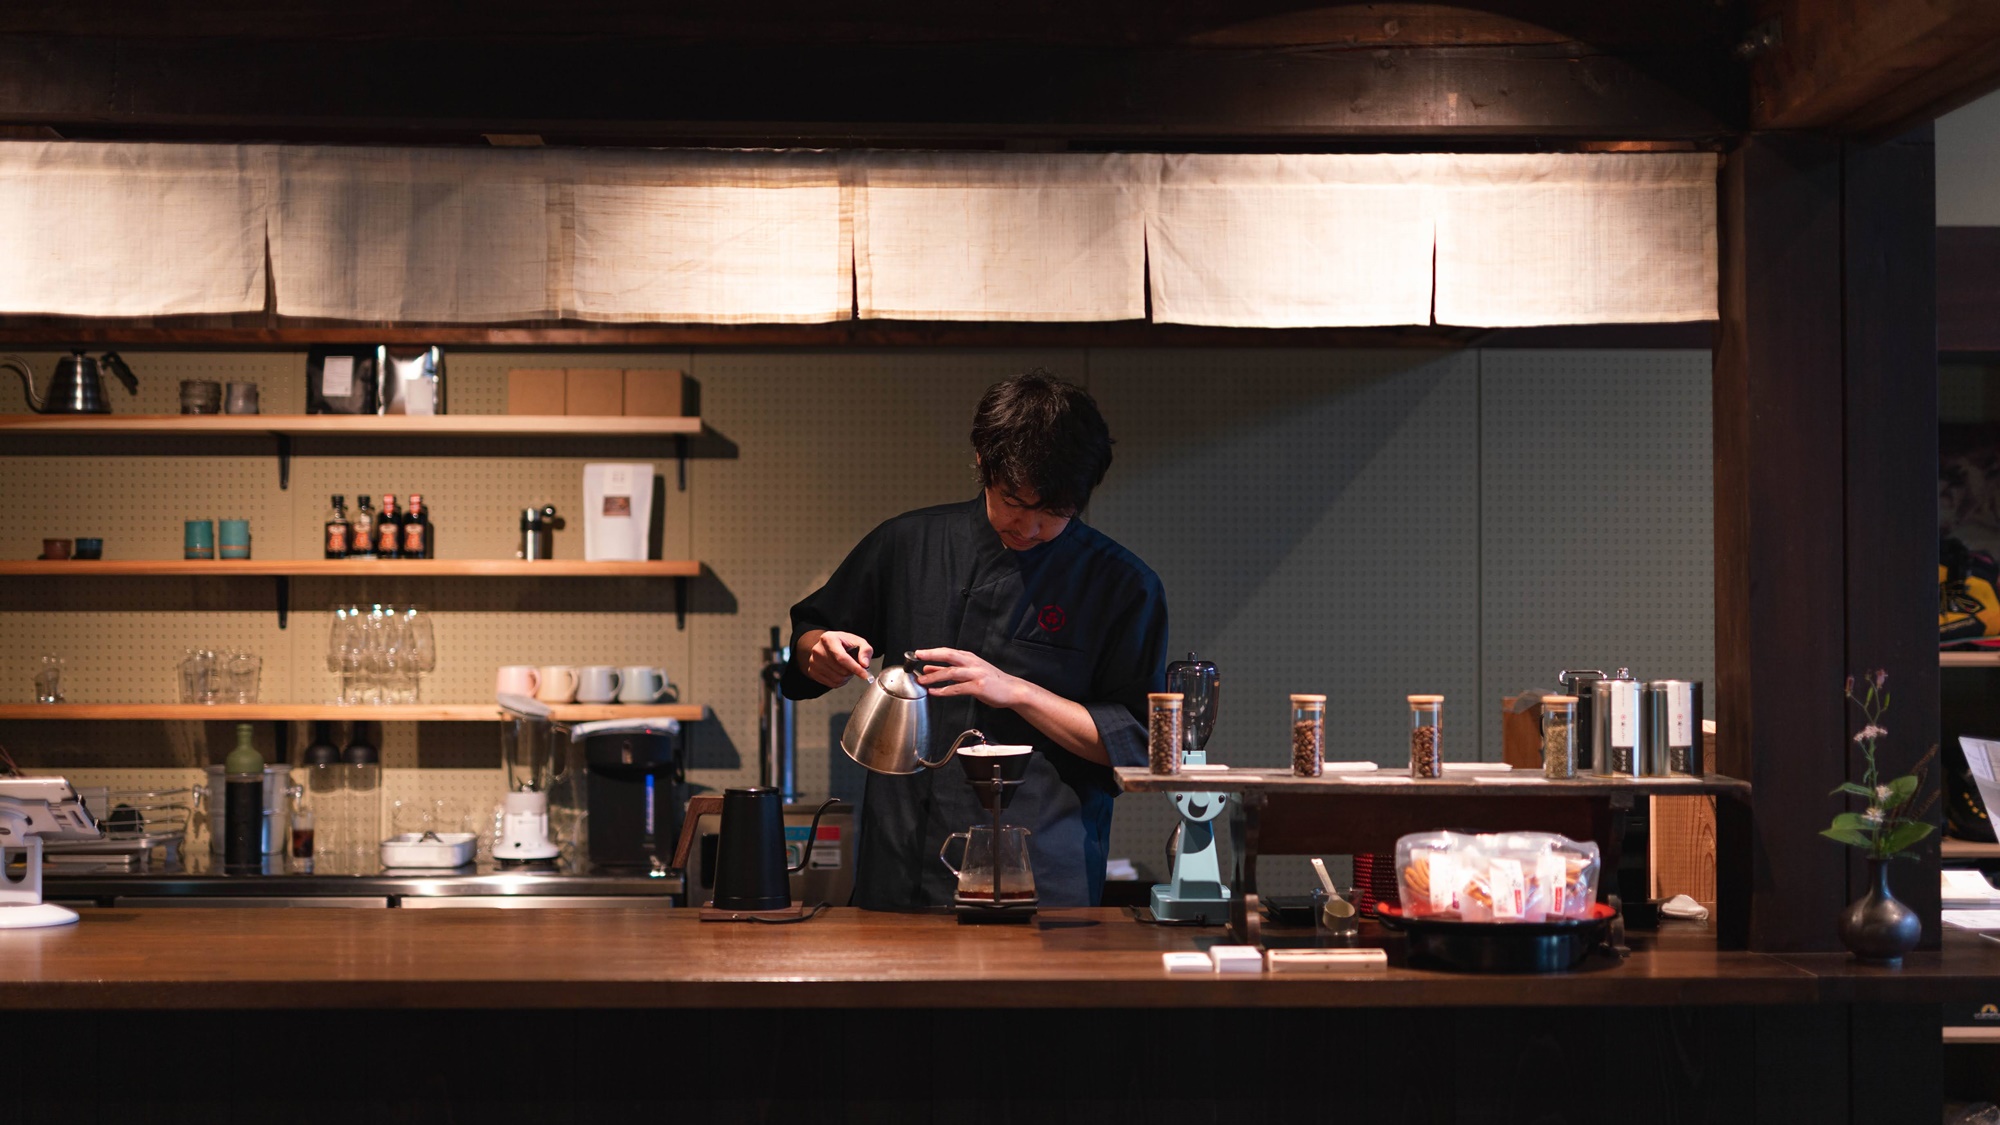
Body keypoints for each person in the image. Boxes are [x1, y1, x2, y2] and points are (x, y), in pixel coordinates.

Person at [782, 370, 1169, 911]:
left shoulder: (1122, 585)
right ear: (983, 466)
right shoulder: (909, 544)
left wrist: (1016, 690)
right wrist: (819, 649)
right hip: (899, 866)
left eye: (1055, 513)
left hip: (1041, 879)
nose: (1029, 527)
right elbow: (809, 639)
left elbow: (1138, 743)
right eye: (1014, 500)